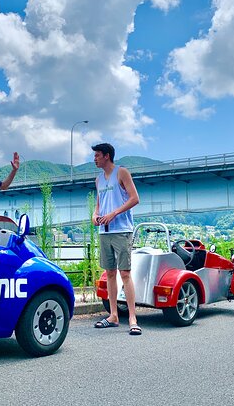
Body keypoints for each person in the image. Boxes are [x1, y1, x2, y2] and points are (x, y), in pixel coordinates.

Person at [91, 143, 141, 335]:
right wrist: (95, 216)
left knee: (125, 273)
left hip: (122, 230)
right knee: (110, 273)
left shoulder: (122, 172)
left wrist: (114, 213)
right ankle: (113, 315)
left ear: (106, 156)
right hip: (104, 232)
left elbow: (134, 198)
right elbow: (98, 205)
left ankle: (132, 318)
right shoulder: (98, 180)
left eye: (97, 155)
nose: (94, 159)